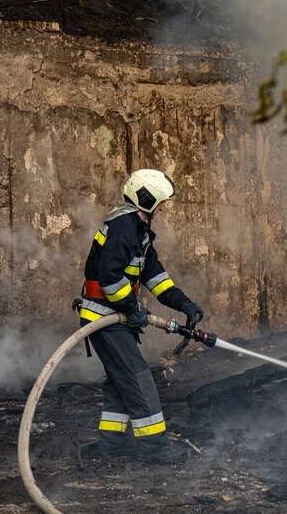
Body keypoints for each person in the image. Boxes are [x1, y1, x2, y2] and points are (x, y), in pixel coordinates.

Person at [77, 169, 204, 463]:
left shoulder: (139, 231)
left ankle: (111, 445)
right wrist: (133, 310)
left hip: (113, 316)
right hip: (103, 317)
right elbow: (109, 279)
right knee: (138, 377)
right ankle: (155, 449)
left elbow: (154, 275)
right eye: (162, 202)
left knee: (121, 380)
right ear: (147, 200)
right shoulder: (124, 226)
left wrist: (184, 304)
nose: (163, 208)